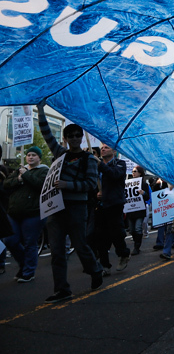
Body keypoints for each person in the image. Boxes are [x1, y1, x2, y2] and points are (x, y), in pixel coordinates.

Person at [38, 103, 103, 303]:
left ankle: (95, 270)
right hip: (55, 208)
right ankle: (62, 289)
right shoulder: (60, 154)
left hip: (77, 208)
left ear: (81, 137)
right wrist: (40, 109)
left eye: (78, 135)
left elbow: (91, 184)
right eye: (71, 135)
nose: (75, 138)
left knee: (80, 245)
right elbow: (46, 132)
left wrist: (68, 184)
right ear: (65, 138)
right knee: (57, 251)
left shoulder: (89, 159)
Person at [2, 146, 49, 281]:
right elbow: (6, 183)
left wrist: (26, 175)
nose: (30, 157)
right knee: (10, 240)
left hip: (33, 213)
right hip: (14, 212)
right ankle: (24, 264)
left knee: (30, 242)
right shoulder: (20, 170)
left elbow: (41, 185)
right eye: (28, 155)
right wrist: (18, 179)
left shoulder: (44, 171)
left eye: (34, 155)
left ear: (39, 157)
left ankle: (29, 272)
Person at [94, 143, 131, 275]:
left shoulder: (120, 164)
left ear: (114, 151)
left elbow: (114, 174)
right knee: (101, 236)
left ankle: (123, 254)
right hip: (101, 205)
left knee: (116, 233)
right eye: (102, 148)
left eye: (106, 147)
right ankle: (105, 265)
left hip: (114, 204)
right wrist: (96, 193)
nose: (103, 149)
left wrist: (100, 165)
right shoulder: (97, 166)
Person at [127, 165, 150, 255]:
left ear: (140, 173)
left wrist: (143, 193)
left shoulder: (144, 184)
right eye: (132, 171)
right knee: (132, 230)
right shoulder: (128, 183)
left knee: (138, 228)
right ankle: (136, 243)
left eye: (135, 171)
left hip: (139, 210)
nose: (133, 173)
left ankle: (137, 247)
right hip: (130, 210)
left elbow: (148, 196)